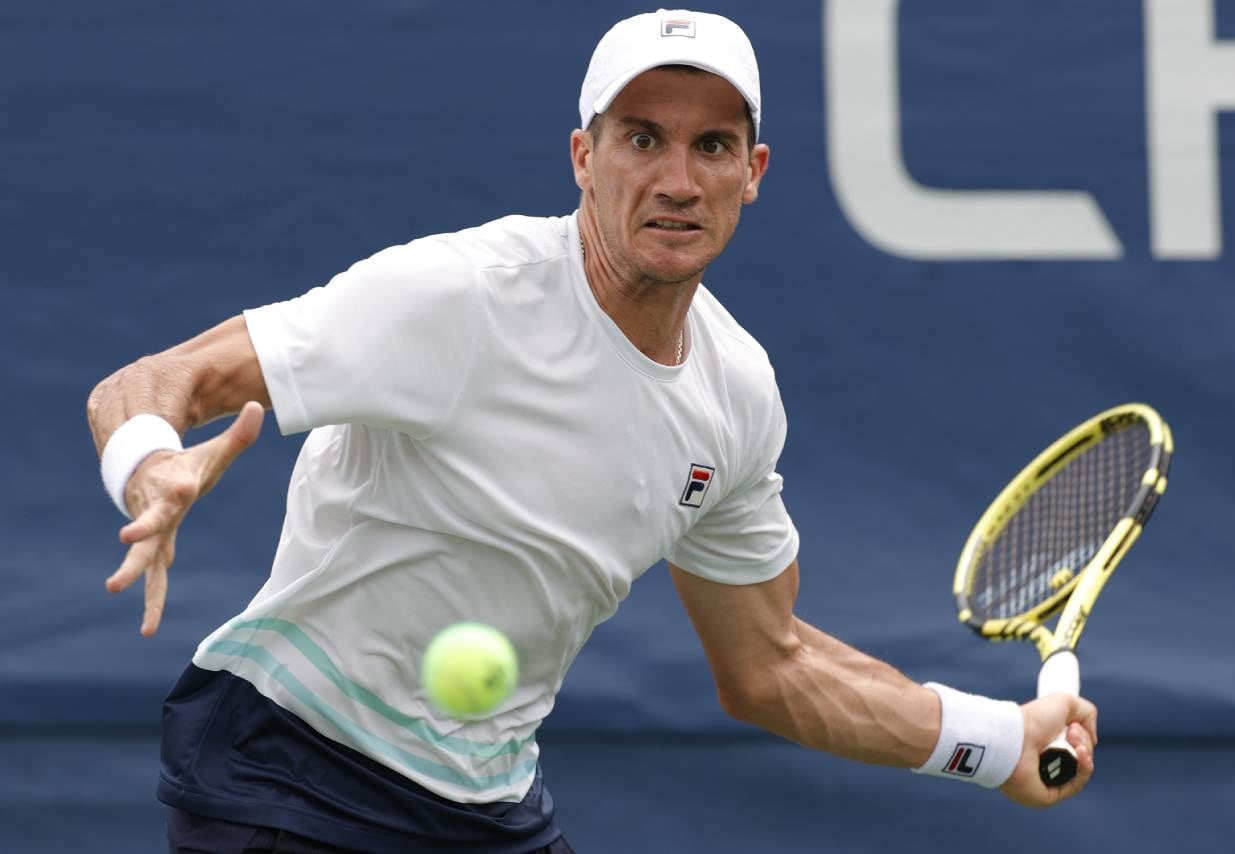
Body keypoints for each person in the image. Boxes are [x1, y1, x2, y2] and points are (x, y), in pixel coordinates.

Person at [87, 9, 1098, 853]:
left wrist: (997, 741)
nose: (675, 178)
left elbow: (771, 665)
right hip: (287, 773)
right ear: (584, 156)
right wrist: (150, 465)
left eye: (710, 147)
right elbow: (154, 381)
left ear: (752, 171)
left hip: (484, 806)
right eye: (640, 138)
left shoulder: (735, 394)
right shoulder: (458, 296)